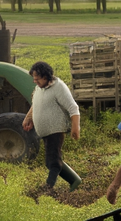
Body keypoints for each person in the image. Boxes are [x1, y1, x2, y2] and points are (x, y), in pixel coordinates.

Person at [22, 61, 81, 190]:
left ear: (45, 77)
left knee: (53, 162)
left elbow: (73, 107)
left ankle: (48, 187)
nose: (35, 82)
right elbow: (36, 104)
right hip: (45, 131)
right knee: (52, 159)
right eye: (34, 79)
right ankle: (75, 180)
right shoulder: (39, 87)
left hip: (56, 129)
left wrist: (76, 127)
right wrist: (28, 118)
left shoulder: (59, 87)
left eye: (37, 79)